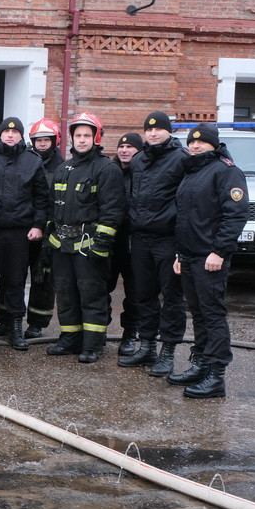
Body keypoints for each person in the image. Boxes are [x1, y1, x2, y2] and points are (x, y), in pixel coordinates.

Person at [170, 124, 248, 398]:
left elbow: (235, 214)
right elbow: (185, 218)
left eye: (201, 142)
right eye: (191, 142)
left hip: (210, 258)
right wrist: (180, 254)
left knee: (212, 315)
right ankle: (201, 363)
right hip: (190, 256)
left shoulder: (227, 171)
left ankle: (216, 375)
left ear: (214, 145)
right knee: (199, 313)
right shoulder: (193, 171)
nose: (195, 146)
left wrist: (220, 252)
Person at [44, 112, 125, 363]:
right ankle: (69, 339)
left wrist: (102, 245)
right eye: (77, 135)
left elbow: (112, 210)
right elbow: (52, 207)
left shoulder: (107, 169)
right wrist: (49, 240)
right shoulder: (63, 168)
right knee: (65, 294)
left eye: (86, 135)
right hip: (62, 245)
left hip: (89, 246)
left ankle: (92, 344)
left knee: (91, 295)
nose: (81, 140)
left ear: (96, 137)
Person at [118, 111, 189, 378]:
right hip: (140, 238)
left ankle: (167, 351)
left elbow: (188, 202)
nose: (153, 133)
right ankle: (147, 345)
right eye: (149, 129)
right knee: (143, 295)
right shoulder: (138, 161)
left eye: (159, 128)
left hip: (168, 239)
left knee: (171, 297)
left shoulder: (182, 159)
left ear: (169, 131)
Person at [0, 117, 48, 350]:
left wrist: (38, 225)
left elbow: (41, 197)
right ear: (0, 134)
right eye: (6, 131)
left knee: (15, 281)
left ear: (21, 136)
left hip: (20, 233)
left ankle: (15, 327)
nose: (10, 135)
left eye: (15, 132)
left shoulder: (33, 161)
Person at [20, 117, 64, 339]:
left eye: (47, 140)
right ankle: (8, 318)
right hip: (24, 228)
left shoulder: (63, 167)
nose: (43, 144)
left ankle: (37, 323)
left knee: (43, 278)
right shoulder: (25, 161)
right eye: (39, 140)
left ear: (55, 141)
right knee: (15, 275)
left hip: (49, 232)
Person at [110, 133, 142, 357]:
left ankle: (130, 334)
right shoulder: (109, 172)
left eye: (130, 146)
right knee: (101, 288)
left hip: (136, 242)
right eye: (121, 146)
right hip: (110, 240)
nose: (124, 150)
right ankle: (98, 331)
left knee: (135, 292)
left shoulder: (144, 173)